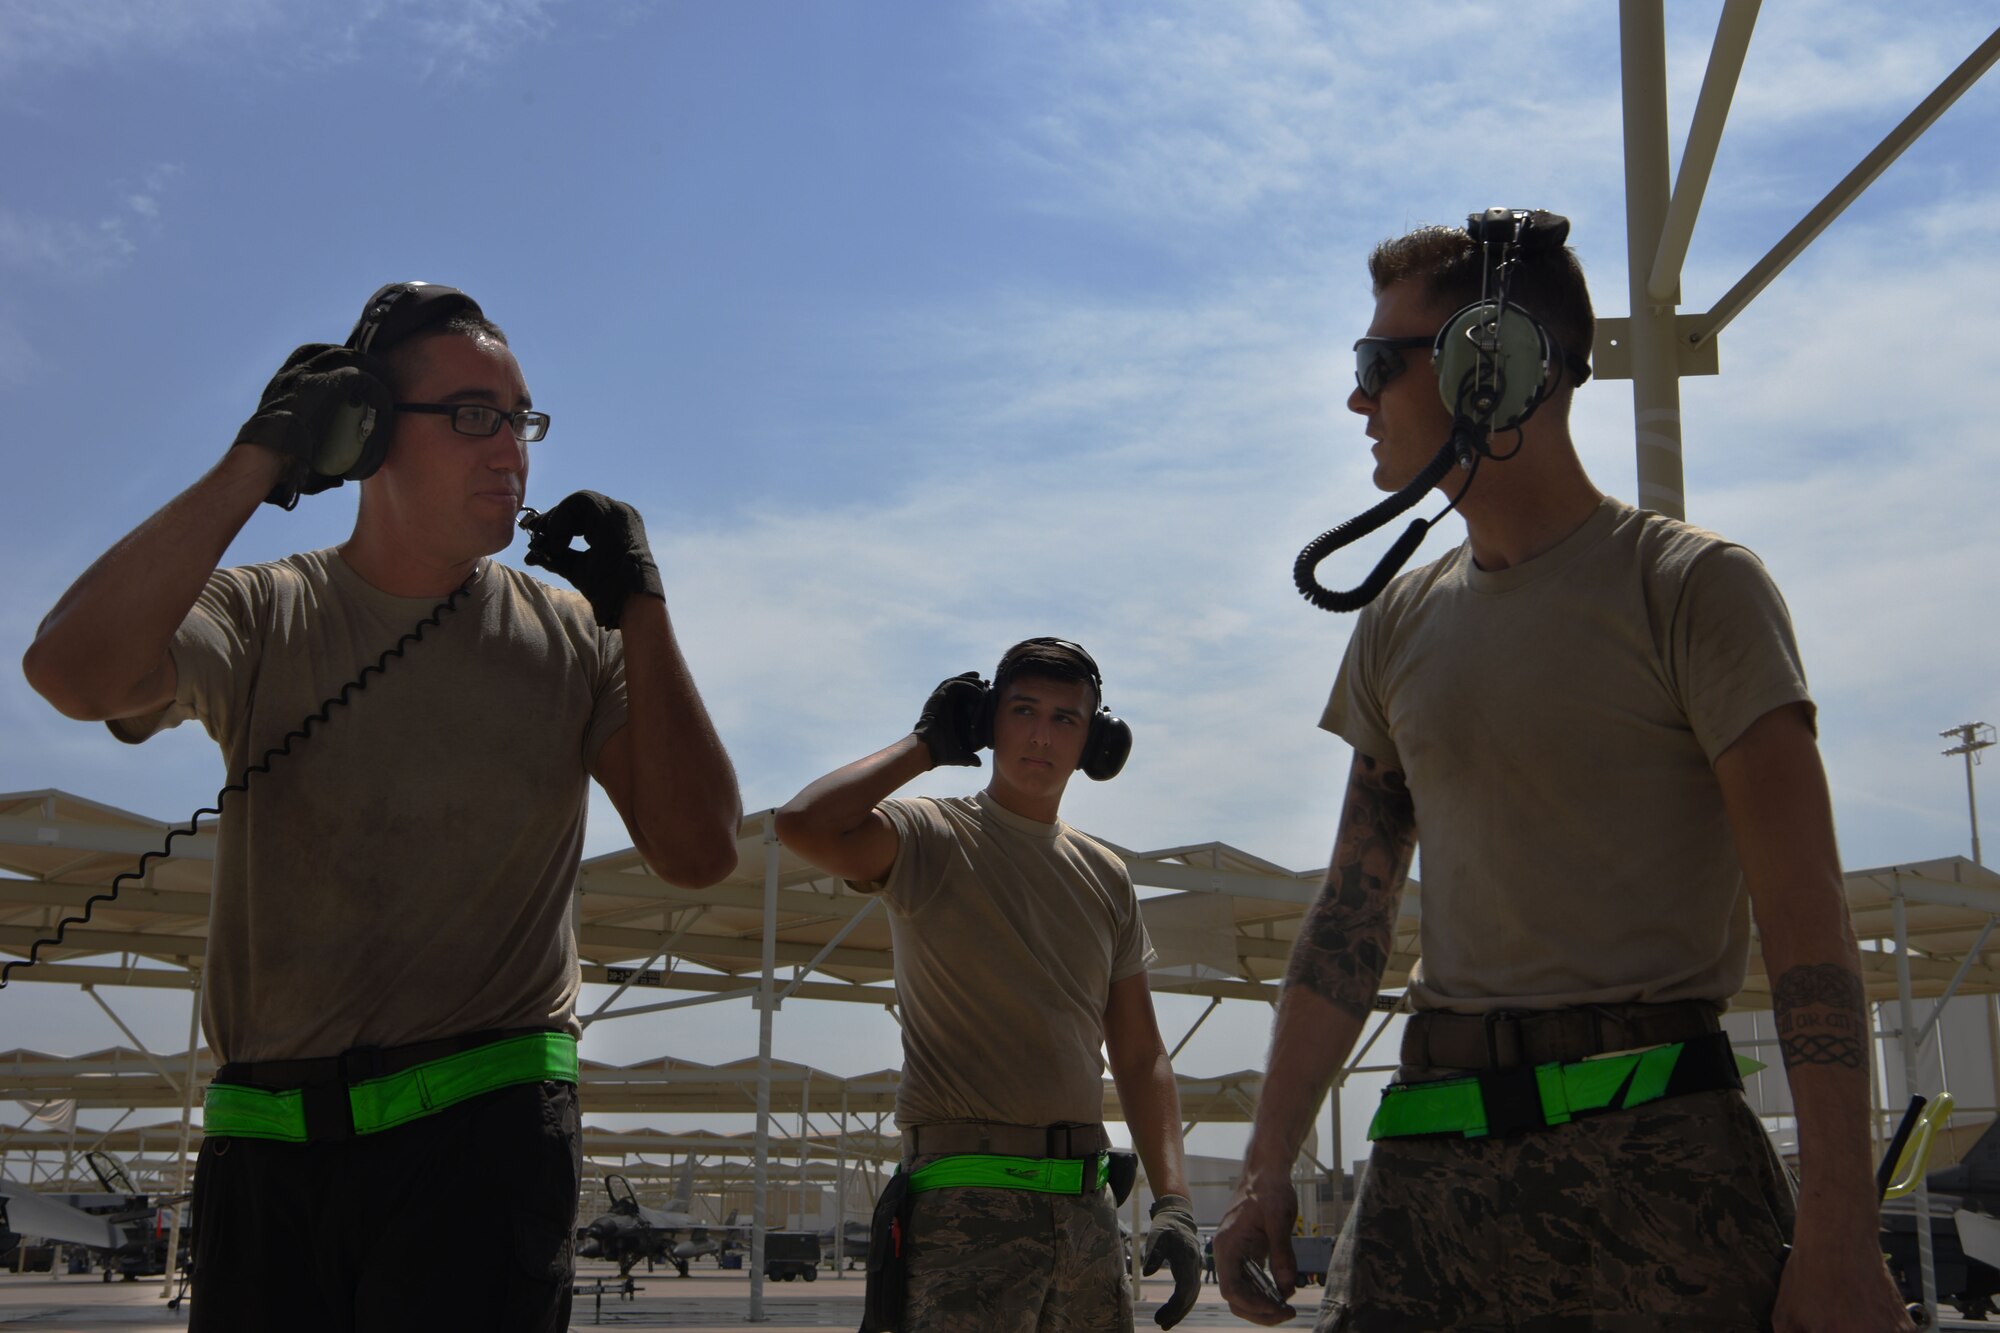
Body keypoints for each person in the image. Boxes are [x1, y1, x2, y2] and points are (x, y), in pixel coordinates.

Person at [1212, 217, 1911, 1333]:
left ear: (1488, 363)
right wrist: (1263, 1166)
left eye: (1375, 365)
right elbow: (1349, 916)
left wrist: (1835, 1233)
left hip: (1653, 1163)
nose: (1356, 401)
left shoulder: (1691, 590)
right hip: (1429, 1160)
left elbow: (1806, 924)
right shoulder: (1397, 619)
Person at [20, 282, 741, 1332]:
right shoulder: (265, 611)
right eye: (471, 416)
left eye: (520, 418)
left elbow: (698, 849)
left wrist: (642, 609)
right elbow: (73, 673)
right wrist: (258, 457)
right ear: (361, 436)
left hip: (480, 1142)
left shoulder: (575, 637)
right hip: (266, 1148)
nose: (510, 451)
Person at [775, 639, 1203, 1331]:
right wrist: (924, 744)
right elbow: (802, 823)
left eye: (1066, 718)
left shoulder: (1107, 876)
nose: (1041, 733)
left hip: (1086, 1213)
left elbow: (1139, 1053)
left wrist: (1176, 1203)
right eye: (1023, 709)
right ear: (986, 721)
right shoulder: (930, 834)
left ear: (1095, 741)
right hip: (964, 1214)